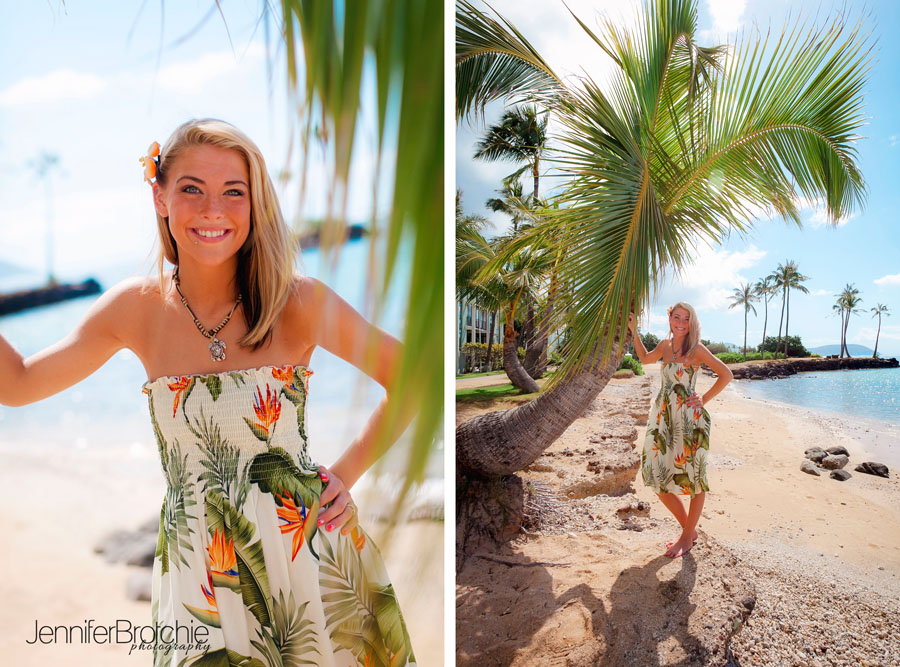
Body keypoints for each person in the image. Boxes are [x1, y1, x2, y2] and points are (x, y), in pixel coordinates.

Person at [0, 119, 418, 665]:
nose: (212, 209)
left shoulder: (298, 303)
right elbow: (18, 384)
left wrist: (348, 473)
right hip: (199, 574)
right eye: (191, 188)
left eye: (233, 192)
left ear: (255, 204)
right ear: (160, 197)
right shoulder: (137, 310)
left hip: (307, 558)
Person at [627, 302, 733, 558]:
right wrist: (634, 331)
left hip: (689, 421)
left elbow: (726, 374)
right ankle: (690, 530)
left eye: (687, 318)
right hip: (663, 418)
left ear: (692, 322)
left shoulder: (697, 349)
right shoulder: (665, 346)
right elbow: (644, 359)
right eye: (677, 317)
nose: (681, 322)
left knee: (695, 479)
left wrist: (703, 399)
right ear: (670, 318)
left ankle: (686, 536)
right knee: (657, 473)